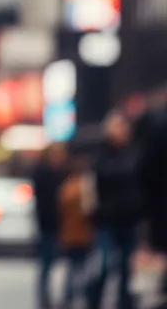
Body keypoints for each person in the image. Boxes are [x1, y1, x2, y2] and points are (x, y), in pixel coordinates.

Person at [87, 111, 143, 309]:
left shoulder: (135, 153)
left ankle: (123, 302)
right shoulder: (100, 155)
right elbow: (92, 188)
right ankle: (93, 300)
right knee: (104, 264)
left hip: (129, 219)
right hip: (106, 221)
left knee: (126, 269)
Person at [32, 142, 68, 309]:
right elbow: (41, 204)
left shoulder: (64, 173)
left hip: (65, 226)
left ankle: (64, 298)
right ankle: (44, 298)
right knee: (46, 264)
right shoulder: (42, 174)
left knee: (66, 264)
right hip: (47, 225)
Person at [57, 156, 94, 308]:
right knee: (80, 268)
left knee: (74, 268)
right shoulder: (81, 187)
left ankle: (71, 296)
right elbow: (89, 209)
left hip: (72, 233)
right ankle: (77, 296)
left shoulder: (67, 186)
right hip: (80, 233)